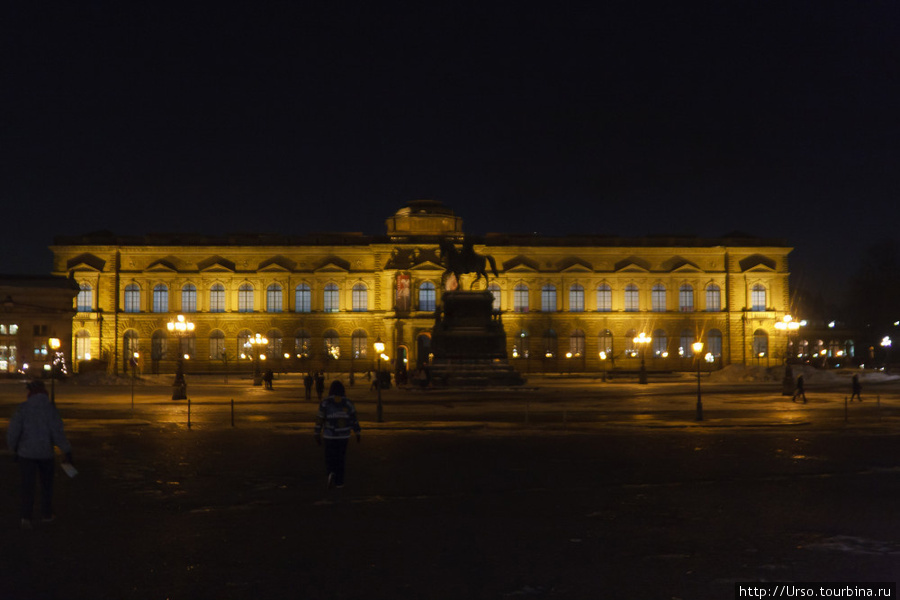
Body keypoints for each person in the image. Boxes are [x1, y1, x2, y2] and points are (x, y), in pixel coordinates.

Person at [6, 380, 74, 529]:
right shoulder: (50, 410)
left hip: (26, 453)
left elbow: (14, 431)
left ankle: (26, 516)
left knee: (27, 486)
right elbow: (57, 433)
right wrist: (66, 450)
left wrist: (13, 448)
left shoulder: (23, 409)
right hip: (45, 454)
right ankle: (46, 514)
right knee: (46, 486)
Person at [314, 380, 361, 489]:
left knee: (330, 456)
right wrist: (357, 432)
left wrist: (317, 433)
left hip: (329, 435)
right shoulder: (348, 403)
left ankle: (331, 472)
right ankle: (340, 481)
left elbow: (320, 419)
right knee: (341, 457)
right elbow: (353, 419)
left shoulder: (325, 403)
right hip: (343, 435)